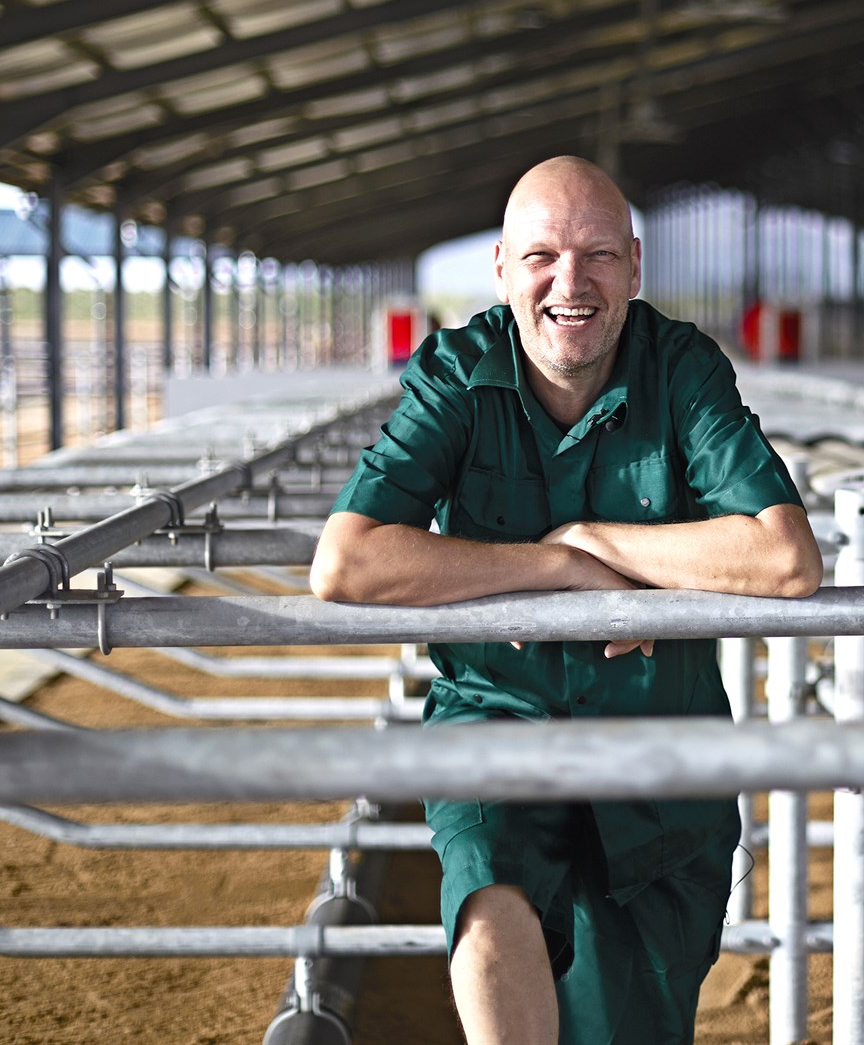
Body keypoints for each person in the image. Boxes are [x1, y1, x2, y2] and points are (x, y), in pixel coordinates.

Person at [309, 156, 823, 1045]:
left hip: (659, 748)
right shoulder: (459, 373)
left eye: (597, 256)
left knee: (625, 1021)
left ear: (635, 265)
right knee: (487, 889)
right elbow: (347, 564)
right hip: (496, 713)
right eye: (543, 255)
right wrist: (552, 572)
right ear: (503, 268)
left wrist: (595, 541)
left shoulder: (685, 371)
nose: (570, 283)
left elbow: (784, 560)